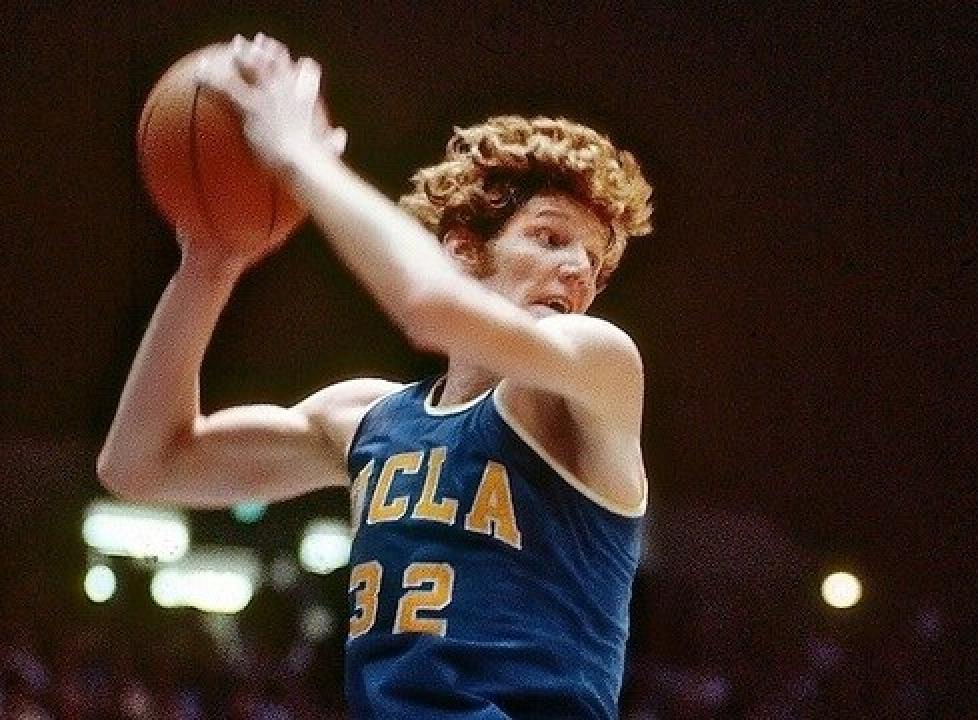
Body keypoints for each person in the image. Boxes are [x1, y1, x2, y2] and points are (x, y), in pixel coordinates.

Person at [98, 33, 654, 719]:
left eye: (595, 262)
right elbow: (142, 464)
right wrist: (209, 264)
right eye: (550, 237)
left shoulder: (599, 367)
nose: (578, 270)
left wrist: (298, 156)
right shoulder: (366, 420)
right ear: (463, 251)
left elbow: (428, 308)